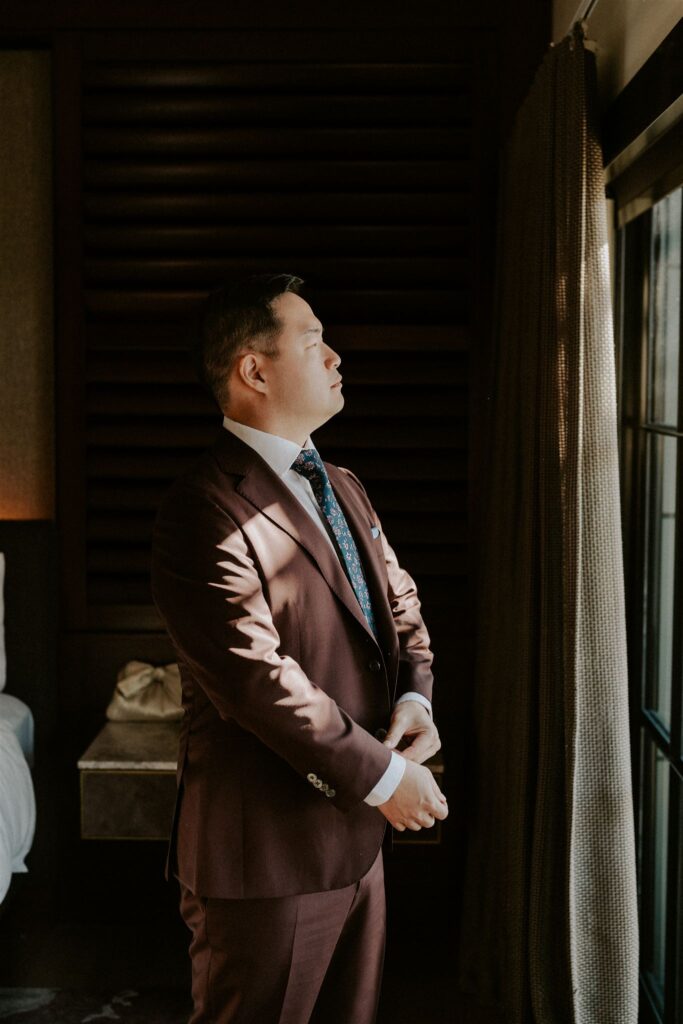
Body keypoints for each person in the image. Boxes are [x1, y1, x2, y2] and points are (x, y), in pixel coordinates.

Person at [150, 272, 448, 1024]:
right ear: (254, 370)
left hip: (357, 842)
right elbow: (256, 681)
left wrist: (415, 700)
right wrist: (386, 777)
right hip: (266, 856)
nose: (336, 357)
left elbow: (400, 604)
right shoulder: (203, 507)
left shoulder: (341, 484)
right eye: (314, 342)